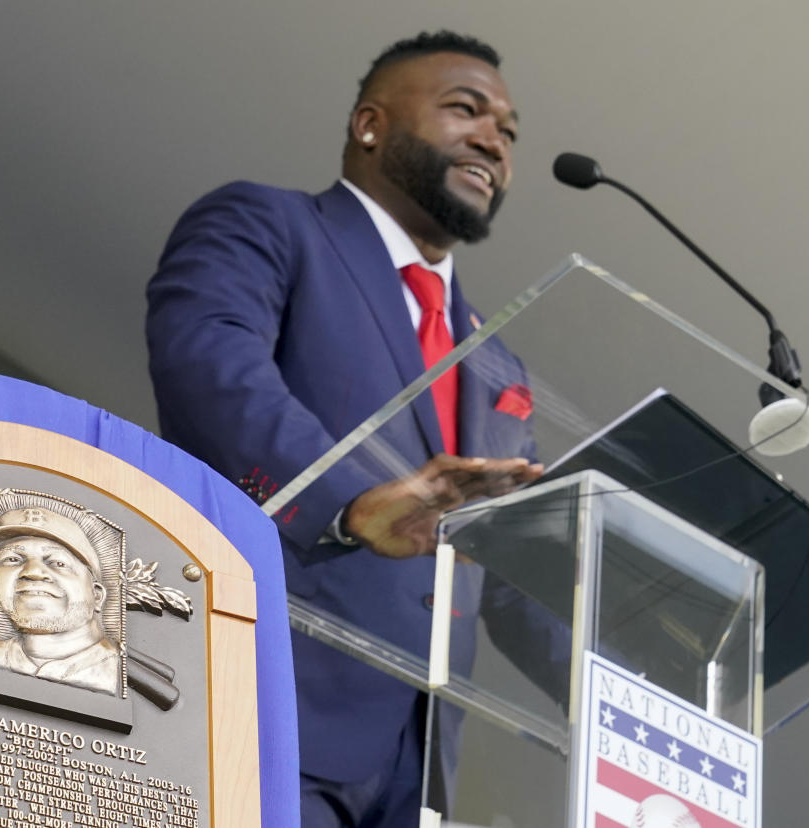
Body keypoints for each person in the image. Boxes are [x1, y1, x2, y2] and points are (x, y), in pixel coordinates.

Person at [146, 31, 543, 826]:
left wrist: (653, 682)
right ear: (371, 124)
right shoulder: (270, 224)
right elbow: (210, 365)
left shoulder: (497, 362)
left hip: (418, 762)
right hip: (265, 698)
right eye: (466, 109)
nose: (494, 139)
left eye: (508, 129)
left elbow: (511, 560)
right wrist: (354, 502)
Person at [0, 507, 120, 696]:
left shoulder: (115, 671)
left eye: (58, 563)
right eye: (12, 559)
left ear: (97, 595)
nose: (32, 571)